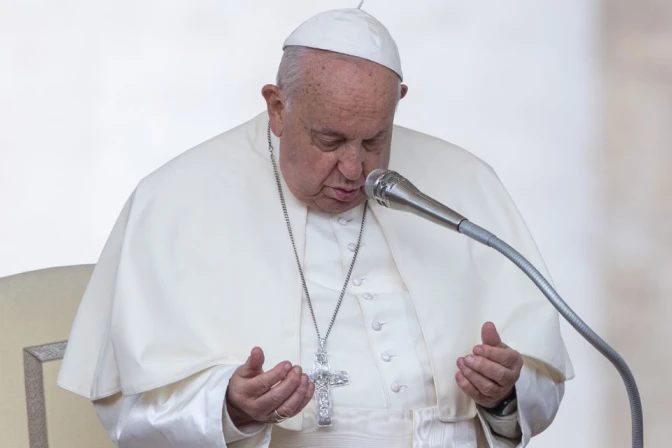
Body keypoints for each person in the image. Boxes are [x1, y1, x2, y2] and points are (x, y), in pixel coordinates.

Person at [58, 6, 573, 448]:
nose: (356, 169)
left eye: (375, 141)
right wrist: (229, 408)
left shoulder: (465, 184)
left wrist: (505, 394)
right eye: (330, 140)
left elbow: (542, 389)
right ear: (277, 109)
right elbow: (127, 411)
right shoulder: (175, 198)